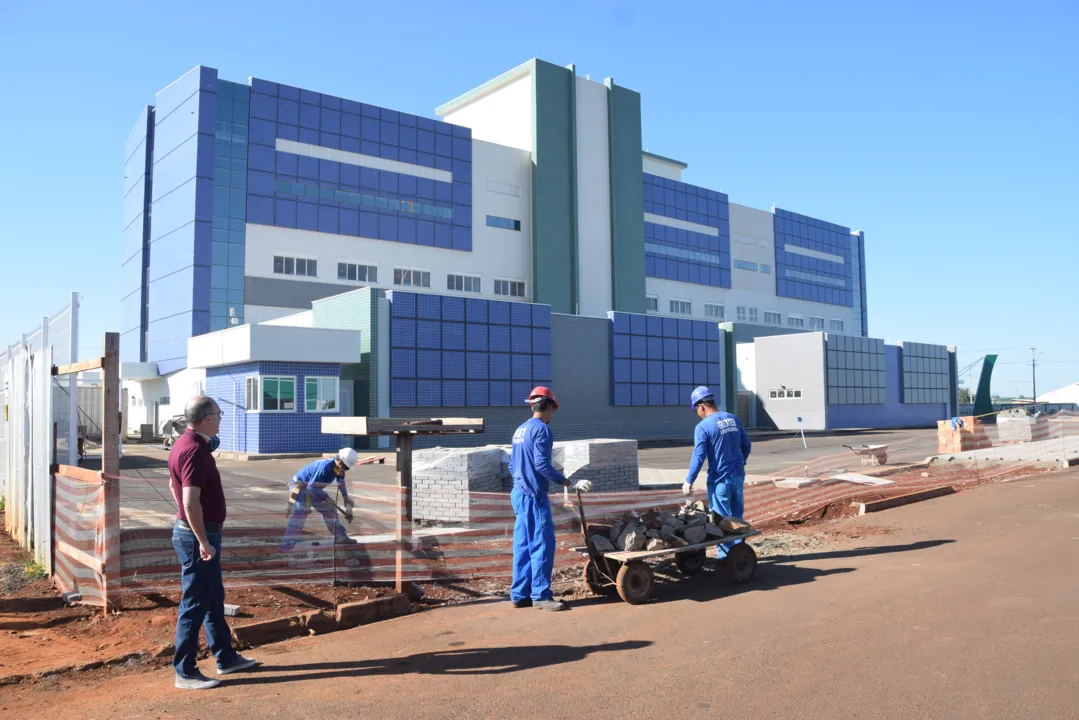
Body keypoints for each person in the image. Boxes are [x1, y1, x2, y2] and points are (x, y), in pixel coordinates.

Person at [169, 396, 256, 690]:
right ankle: (185, 671)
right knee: (194, 603)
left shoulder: (185, 444)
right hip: (199, 536)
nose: (221, 419)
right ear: (207, 418)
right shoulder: (193, 450)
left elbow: (174, 487)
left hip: (200, 531)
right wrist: (202, 540)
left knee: (212, 597)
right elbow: (191, 501)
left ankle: (225, 658)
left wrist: (189, 521)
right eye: (218, 415)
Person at [509, 386, 593, 611]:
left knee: (523, 545)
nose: (552, 415)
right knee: (542, 544)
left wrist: (522, 482)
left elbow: (512, 464)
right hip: (534, 496)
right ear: (547, 407)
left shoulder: (520, 430)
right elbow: (542, 464)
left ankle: (519, 594)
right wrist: (567, 482)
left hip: (518, 494)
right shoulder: (542, 430)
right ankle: (540, 595)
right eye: (553, 410)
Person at [682, 386, 752, 556]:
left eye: (696, 409)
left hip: (720, 480)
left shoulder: (703, 427)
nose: (697, 413)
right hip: (737, 476)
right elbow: (747, 445)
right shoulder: (733, 419)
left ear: (702, 406)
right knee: (737, 517)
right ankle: (739, 554)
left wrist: (689, 480)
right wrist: (740, 462)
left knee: (721, 521)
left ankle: (726, 559)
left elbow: (699, 456)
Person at [279, 449, 360, 551]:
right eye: (346, 467)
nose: (345, 470)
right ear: (340, 461)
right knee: (301, 513)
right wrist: (326, 498)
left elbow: (341, 482)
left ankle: (340, 537)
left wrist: (345, 497)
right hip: (300, 487)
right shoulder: (324, 468)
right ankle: (286, 544)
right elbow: (311, 488)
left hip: (312, 488)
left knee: (330, 511)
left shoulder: (338, 469)